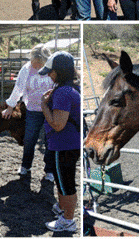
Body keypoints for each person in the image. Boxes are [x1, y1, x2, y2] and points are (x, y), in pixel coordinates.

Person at [39, 52, 81, 232]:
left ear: (60, 71)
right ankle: (64, 210)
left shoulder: (63, 92)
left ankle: (68, 220)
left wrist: (43, 106)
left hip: (63, 145)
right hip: (68, 144)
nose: (49, 75)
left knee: (66, 184)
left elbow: (57, 124)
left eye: (51, 71)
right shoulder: (69, 88)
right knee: (64, 182)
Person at [3, 44, 55, 181]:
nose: (37, 67)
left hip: (50, 110)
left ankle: (49, 170)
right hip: (32, 110)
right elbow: (18, 88)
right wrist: (10, 106)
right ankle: (26, 166)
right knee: (29, 139)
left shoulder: (52, 70)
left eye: (40, 64)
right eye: (35, 63)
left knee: (50, 141)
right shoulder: (26, 69)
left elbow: (57, 87)